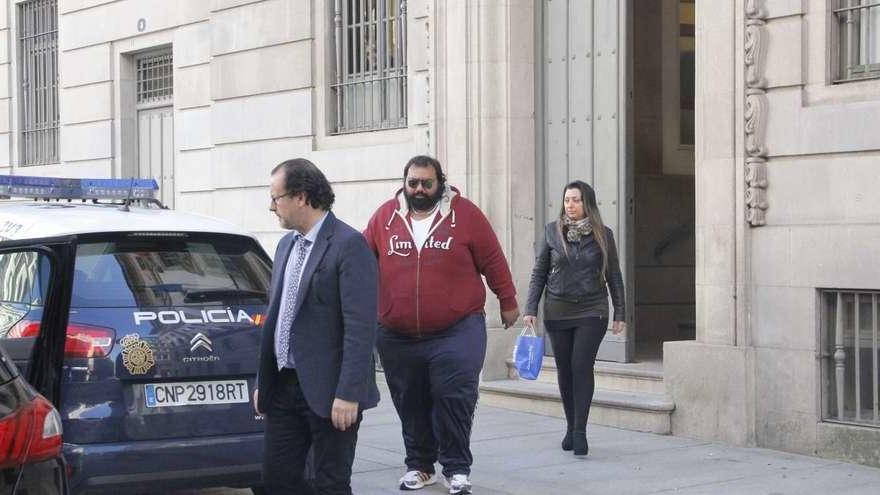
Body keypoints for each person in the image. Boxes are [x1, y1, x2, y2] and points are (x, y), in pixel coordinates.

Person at [363, 155, 520, 495]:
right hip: (397, 334)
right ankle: (420, 466)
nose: (419, 189)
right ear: (405, 183)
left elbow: (493, 259)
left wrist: (507, 301)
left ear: (440, 183)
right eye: (413, 183)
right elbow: (361, 261)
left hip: (457, 328)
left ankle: (457, 468)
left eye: (426, 183)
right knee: (410, 401)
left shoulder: (465, 215)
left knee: (454, 396)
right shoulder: (384, 218)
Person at [255, 158, 379, 494]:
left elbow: (361, 327)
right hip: (284, 387)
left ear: (301, 197)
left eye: (275, 198)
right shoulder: (285, 246)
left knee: (330, 484)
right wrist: (264, 382)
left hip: (330, 391)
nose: (271, 207)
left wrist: (348, 394)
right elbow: (277, 316)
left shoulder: (349, 245)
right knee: (276, 481)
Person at [523, 180, 626, 457]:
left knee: (581, 366)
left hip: (592, 309)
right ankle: (570, 426)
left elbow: (613, 274)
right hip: (558, 310)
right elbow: (539, 273)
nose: (570, 205)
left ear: (587, 204)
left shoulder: (604, 234)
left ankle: (580, 431)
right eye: (567, 200)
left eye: (576, 200)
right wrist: (530, 308)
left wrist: (620, 311)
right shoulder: (551, 233)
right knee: (565, 370)